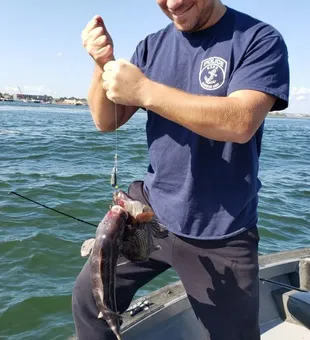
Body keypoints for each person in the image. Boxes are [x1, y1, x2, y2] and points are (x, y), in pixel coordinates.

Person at [73, 0, 290, 339]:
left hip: (221, 229)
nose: (173, 2)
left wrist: (145, 90)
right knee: (90, 301)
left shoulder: (258, 39)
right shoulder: (151, 47)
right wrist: (102, 64)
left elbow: (241, 121)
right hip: (147, 213)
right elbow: (105, 120)